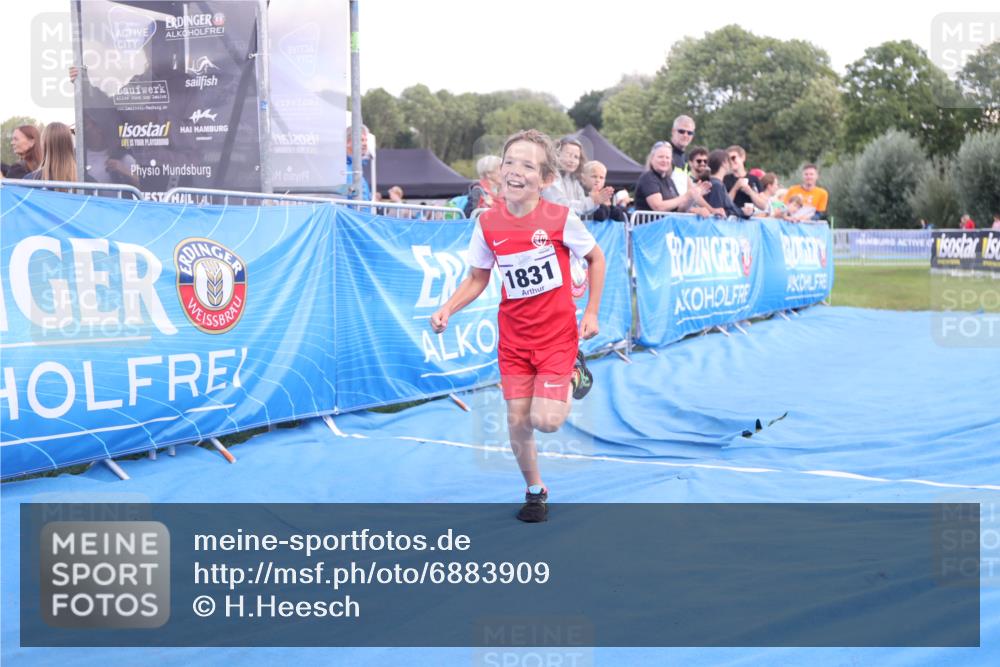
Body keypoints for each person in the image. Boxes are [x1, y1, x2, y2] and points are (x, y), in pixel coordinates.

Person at [430, 129, 606, 523]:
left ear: (545, 180)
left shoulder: (561, 219)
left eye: (527, 165)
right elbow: (477, 277)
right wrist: (448, 308)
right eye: (510, 162)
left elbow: (597, 259)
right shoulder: (488, 224)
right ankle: (535, 491)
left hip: (558, 337)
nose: (514, 170)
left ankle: (571, 369)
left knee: (545, 420)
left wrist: (591, 312)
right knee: (516, 420)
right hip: (514, 339)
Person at [633, 141, 709, 213]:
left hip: (667, 225)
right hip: (649, 226)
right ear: (652, 159)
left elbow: (680, 209)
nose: (664, 160)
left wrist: (692, 197)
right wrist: (685, 196)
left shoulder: (669, 180)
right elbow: (658, 207)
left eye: (667, 158)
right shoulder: (648, 178)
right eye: (660, 157)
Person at [542, 137, 603, 217]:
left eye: (576, 157)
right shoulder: (550, 177)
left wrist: (596, 201)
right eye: (568, 155)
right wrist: (591, 202)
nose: (572, 160)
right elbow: (560, 206)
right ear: (556, 155)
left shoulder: (574, 181)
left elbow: (583, 209)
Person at [724, 145, 769, 213]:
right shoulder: (725, 179)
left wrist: (750, 192)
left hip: (748, 221)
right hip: (730, 220)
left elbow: (763, 206)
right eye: (728, 159)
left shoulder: (754, 179)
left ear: (743, 157)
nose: (731, 161)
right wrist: (736, 187)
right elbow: (724, 204)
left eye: (733, 158)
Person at [704, 149, 748, 219]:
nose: (731, 164)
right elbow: (718, 213)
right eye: (729, 161)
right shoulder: (717, 185)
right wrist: (742, 212)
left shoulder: (715, 183)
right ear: (724, 163)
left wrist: (742, 212)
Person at [685, 146, 725, 217]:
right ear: (690, 163)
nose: (703, 163)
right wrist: (712, 210)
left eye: (705, 161)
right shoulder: (685, 179)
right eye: (699, 161)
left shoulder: (709, 182)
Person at [345, 125, 372, 201]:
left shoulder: (357, 168)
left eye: (366, 140)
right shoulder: (343, 168)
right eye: (361, 140)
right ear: (347, 142)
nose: (365, 143)